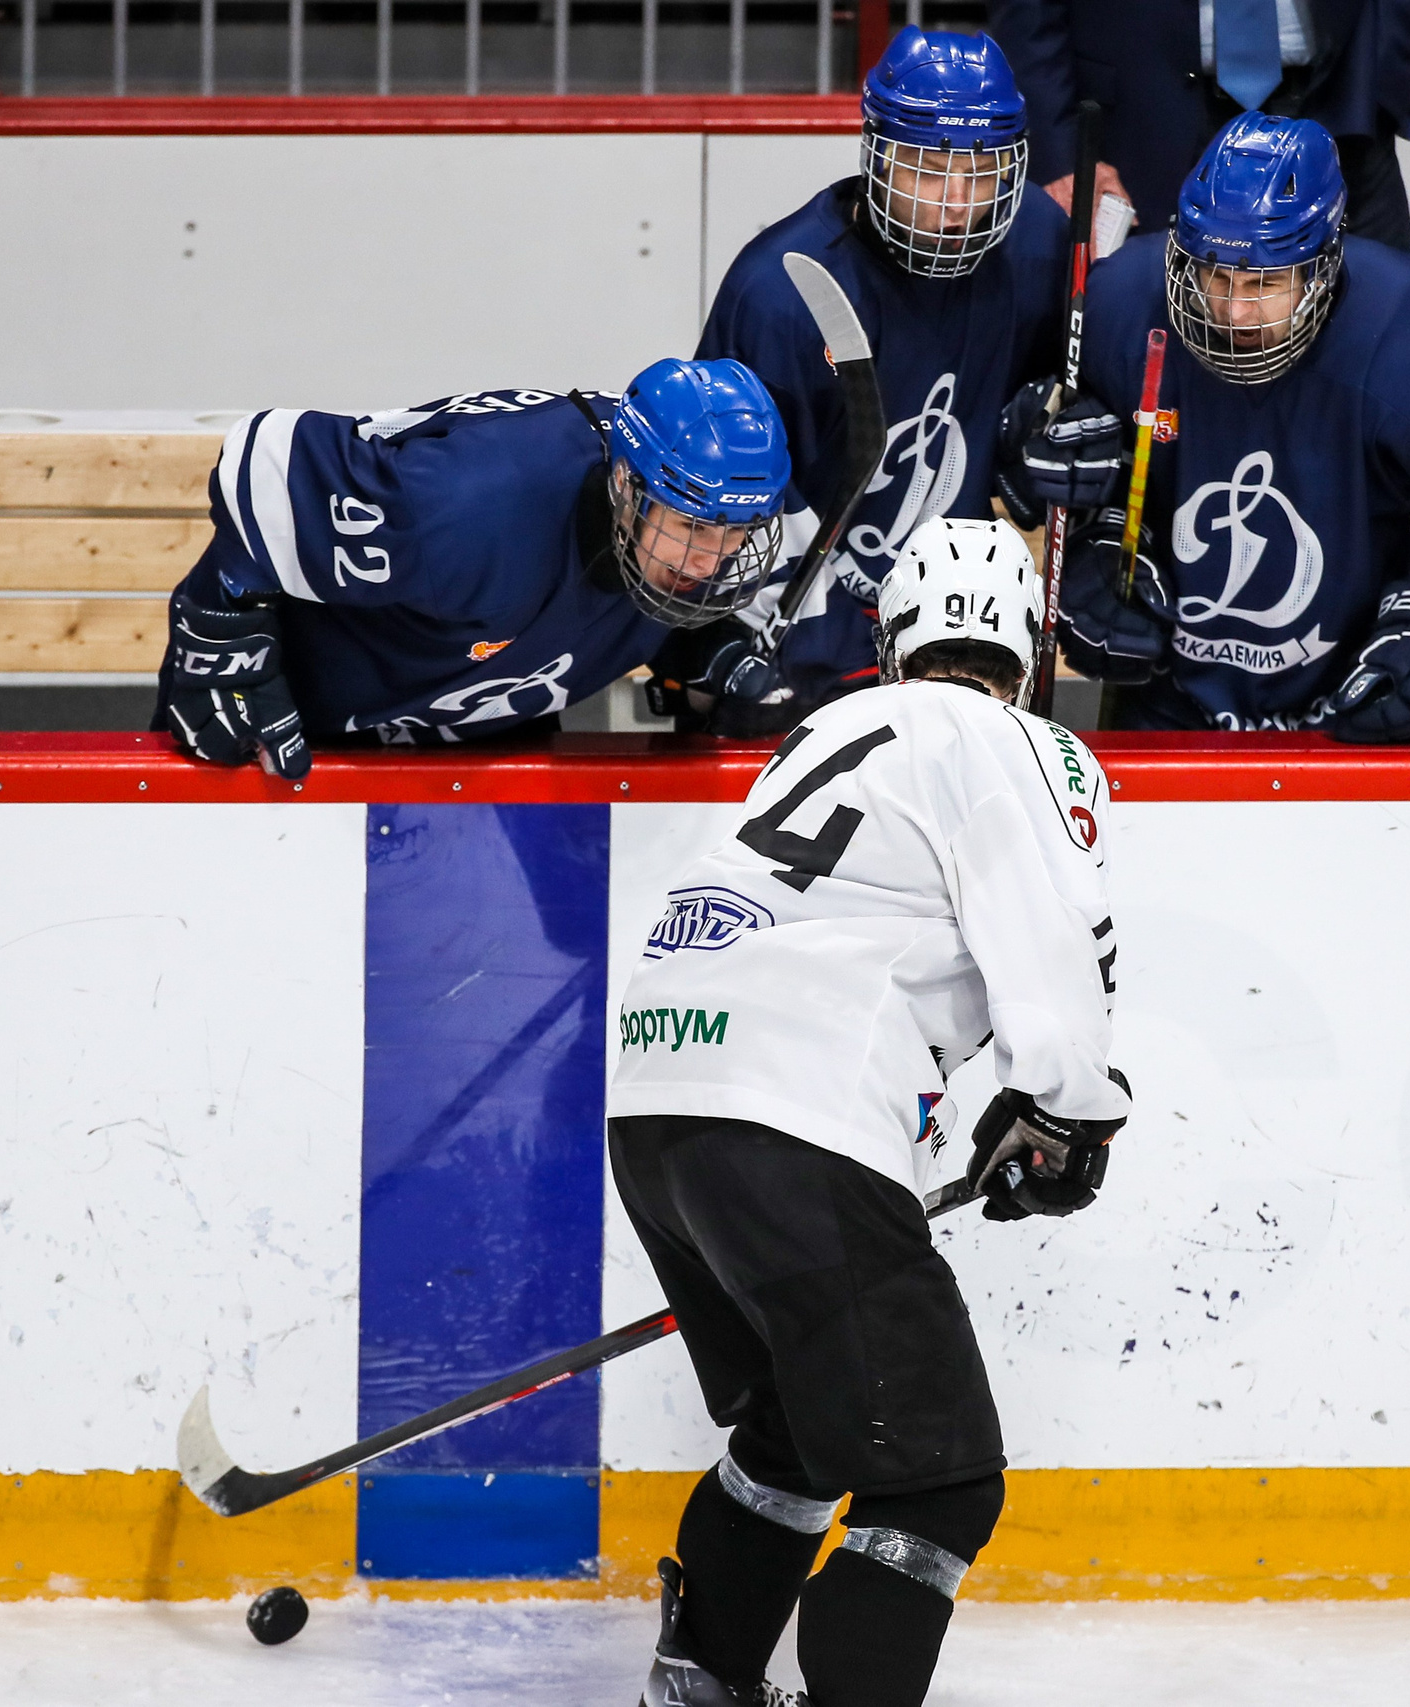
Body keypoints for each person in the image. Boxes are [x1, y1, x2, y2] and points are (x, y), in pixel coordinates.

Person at [606, 514, 1131, 1707]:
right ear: (1029, 647)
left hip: (659, 1107)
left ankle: (698, 1687)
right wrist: (1068, 1110)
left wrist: (1007, 1116)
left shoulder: (823, 731)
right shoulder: (1019, 741)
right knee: (938, 1481)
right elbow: (1054, 943)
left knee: (793, 1438)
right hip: (799, 1114)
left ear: (892, 639)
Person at [1003, 112, 1410, 738]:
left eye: (1265, 282)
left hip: (1360, 692)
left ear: (1324, 263)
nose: (1235, 311)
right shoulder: (1123, 306)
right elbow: (1082, 465)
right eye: (1217, 276)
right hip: (1168, 699)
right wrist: (1101, 547)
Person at [151, 360, 793, 773]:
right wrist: (221, 635)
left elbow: (614, 593)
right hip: (301, 738)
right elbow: (265, 463)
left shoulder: (673, 522)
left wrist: (695, 647)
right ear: (625, 484)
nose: (712, 558)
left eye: (737, 531)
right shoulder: (472, 505)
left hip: (487, 752)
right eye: (692, 526)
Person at [696, 26, 1069, 719]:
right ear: (876, 157)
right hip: (798, 651)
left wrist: (1039, 445)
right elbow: (729, 501)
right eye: (928, 169)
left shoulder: (1037, 245)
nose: (957, 201)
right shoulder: (780, 292)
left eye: (981, 171)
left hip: (952, 643)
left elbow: (1050, 404)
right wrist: (829, 656)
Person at [986, 0, 1410, 248]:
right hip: (1137, 133)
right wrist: (1066, 156)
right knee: (1141, 361)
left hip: (1339, 113)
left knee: (1372, 342)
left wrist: (1382, 85)